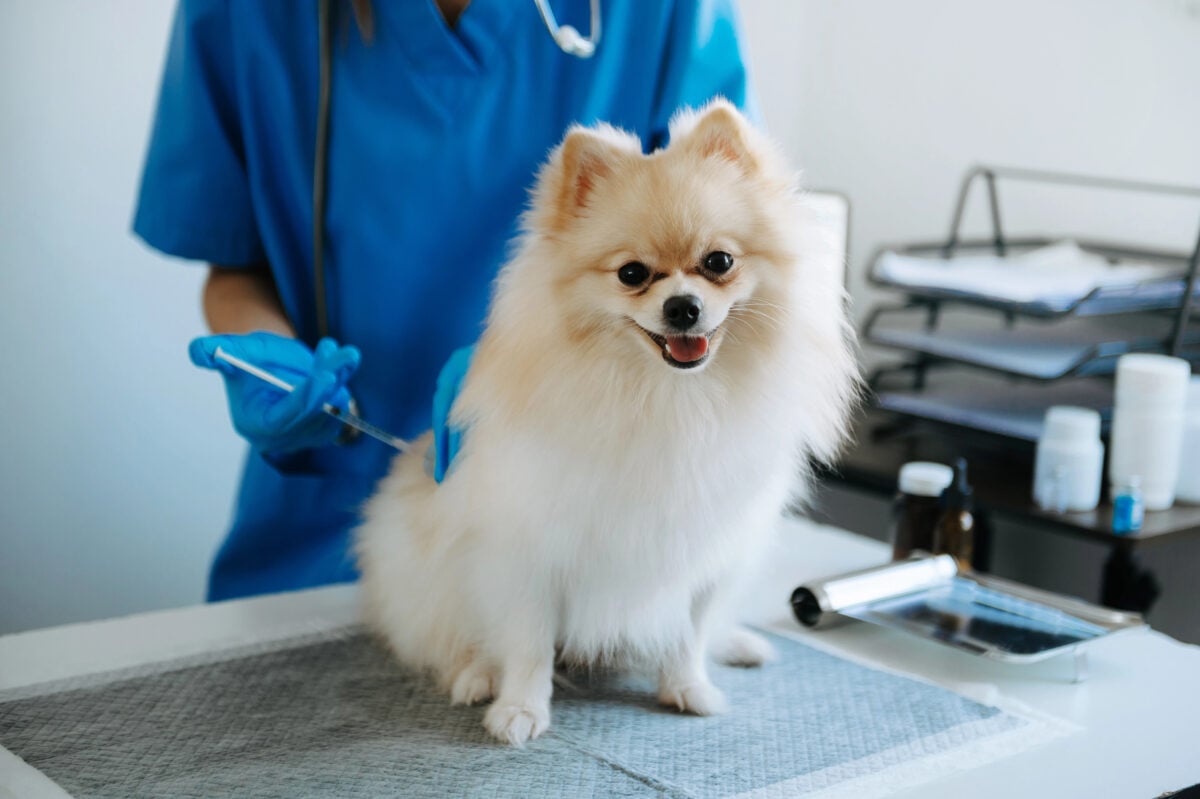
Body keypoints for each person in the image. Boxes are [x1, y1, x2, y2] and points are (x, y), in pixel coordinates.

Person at [134, 0, 760, 602]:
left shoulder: (669, 10)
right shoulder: (245, 11)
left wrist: (516, 372)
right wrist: (265, 362)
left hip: (566, 531)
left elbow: (717, 274)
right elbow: (235, 263)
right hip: (322, 511)